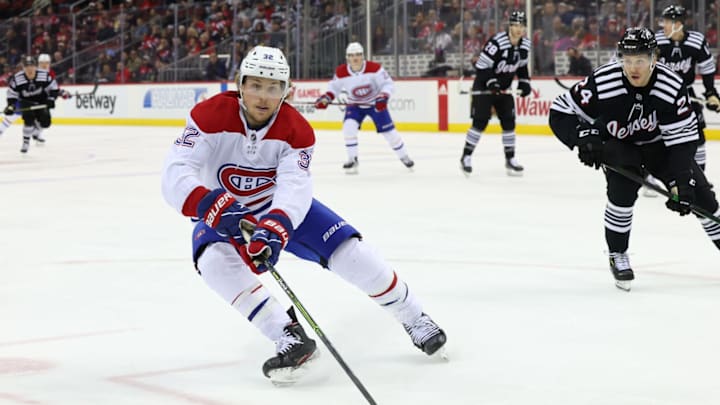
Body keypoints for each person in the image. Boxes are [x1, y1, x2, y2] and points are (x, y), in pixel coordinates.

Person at [161, 46, 447, 384]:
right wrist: (210, 203)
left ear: (287, 90)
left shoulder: (297, 130)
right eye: (255, 85)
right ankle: (289, 335)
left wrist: (275, 225)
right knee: (213, 263)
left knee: (352, 254)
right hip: (221, 212)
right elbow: (176, 173)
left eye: (273, 87)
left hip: (276, 207)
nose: (263, 96)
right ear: (239, 84)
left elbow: (295, 187)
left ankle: (414, 317)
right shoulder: (208, 116)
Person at [548, 27, 720, 292]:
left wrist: (681, 182)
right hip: (621, 144)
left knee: (702, 198)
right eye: (627, 60)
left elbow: (683, 141)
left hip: (660, 146)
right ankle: (618, 254)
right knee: (622, 193)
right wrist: (583, 136)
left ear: (654, 58)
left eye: (640, 60)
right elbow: (560, 111)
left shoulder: (671, 85)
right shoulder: (604, 81)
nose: (633, 67)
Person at [314, 42, 414, 174]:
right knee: (348, 127)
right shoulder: (341, 71)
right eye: (351, 55)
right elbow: (334, 89)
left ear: (363, 56)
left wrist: (383, 97)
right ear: (347, 57)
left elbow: (388, 84)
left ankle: (404, 156)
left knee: (389, 132)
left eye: (358, 55)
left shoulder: (374, 68)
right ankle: (352, 159)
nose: (355, 58)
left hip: (375, 104)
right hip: (355, 105)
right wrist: (326, 99)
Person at [459, 10, 532, 177]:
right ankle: (466, 156)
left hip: (504, 89)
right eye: (515, 25)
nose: (519, 29)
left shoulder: (525, 44)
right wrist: (492, 82)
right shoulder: (497, 43)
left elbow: (521, 67)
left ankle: (510, 158)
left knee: (509, 122)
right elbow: (482, 66)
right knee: (480, 122)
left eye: (521, 25)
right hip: (485, 87)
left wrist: (524, 82)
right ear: (510, 26)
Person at [656, 5, 719, 171]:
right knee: (654, 136)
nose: (664, 25)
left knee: (698, 136)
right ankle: (652, 176)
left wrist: (711, 92)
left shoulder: (696, 41)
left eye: (668, 22)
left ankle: (700, 178)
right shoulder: (656, 41)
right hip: (661, 94)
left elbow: (707, 67)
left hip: (686, 93)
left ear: (679, 24)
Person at [4, 55, 58, 153]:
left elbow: (54, 88)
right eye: (27, 66)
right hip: (25, 101)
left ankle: (36, 129)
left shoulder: (44, 75)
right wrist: (11, 105)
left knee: (46, 123)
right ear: (23, 68)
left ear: (35, 66)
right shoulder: (17, 78)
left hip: (41, 101)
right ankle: (26, 142)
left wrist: (51, 99)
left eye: (32, 66)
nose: (30, 69)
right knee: (28, 120)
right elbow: (12, 94)